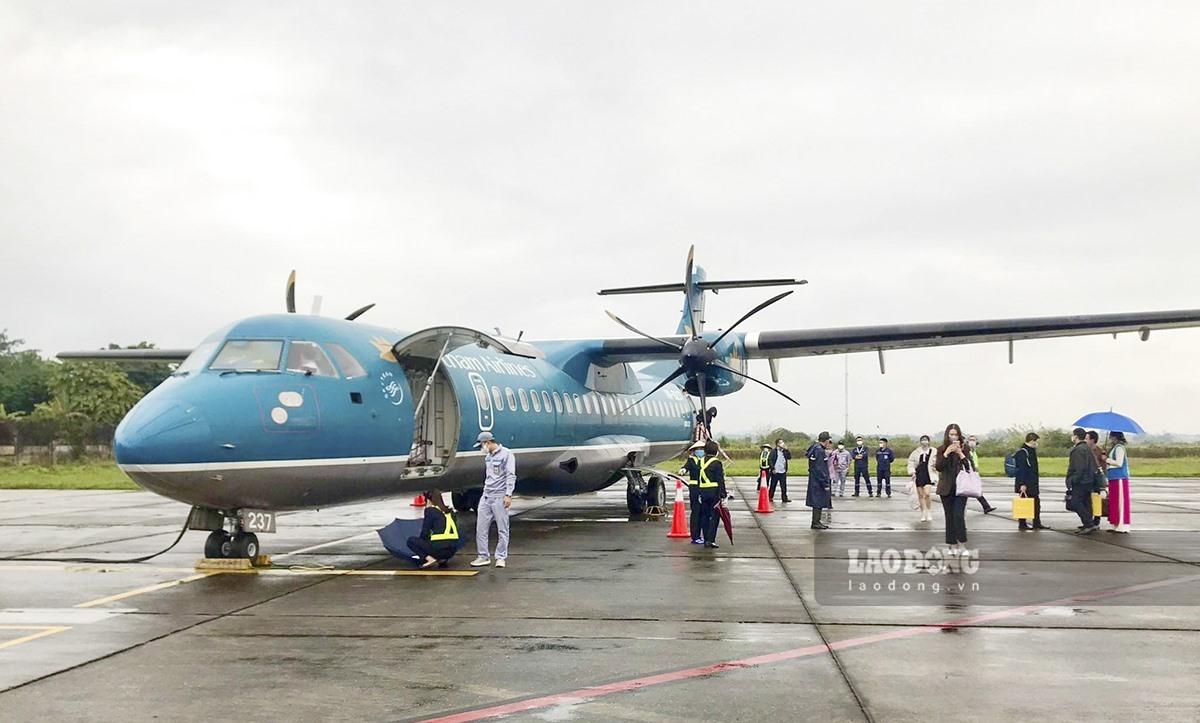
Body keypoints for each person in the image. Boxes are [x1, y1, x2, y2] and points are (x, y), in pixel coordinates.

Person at [469, 431, 516, 568]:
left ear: (488, 443)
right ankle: (483, 556)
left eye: (481, 445)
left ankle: (501, 557)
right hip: (487, 495)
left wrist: (508, 494)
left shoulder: (507, 454)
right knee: (481, 528)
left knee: (502, 528)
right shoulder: (488, 457)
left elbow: (510, 475)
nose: (481, 449)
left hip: (500, 496)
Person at [935, 424, 972, 555]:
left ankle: (962, 544)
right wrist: (946, 453)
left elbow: (969, 466)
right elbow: (938, 467)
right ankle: (952, 545)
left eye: (955, 434)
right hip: (946, 488)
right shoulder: (941, 449)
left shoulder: (965, 449)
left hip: (961, 488)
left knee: (958, 515)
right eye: (951, 434)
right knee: (949, 516)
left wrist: (960, 453)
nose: (953, 437)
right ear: (947, 435)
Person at [407, 489, 460, 568]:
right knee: (441, 540)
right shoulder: (450, 512)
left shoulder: (430, 511)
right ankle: (442, 560)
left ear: (428, 500)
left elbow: (425, 532)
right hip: (451, 550)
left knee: (411, 541)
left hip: (439, 550)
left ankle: (429, 559)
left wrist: (421, 546)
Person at [1066, 428, 1098, 534]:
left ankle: (1088, 523)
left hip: (1081, 481)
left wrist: (1073, 479)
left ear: (1075, 436)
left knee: (1076, 502)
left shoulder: (1078, 450)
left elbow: (1079, 467)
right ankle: (1088, 524)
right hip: (1088, 480)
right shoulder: (1087, 448)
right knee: (1086, 502)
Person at [1013, 432, 1048, 531]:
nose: (1037, 444)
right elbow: (1021, 469)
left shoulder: (1031, 451)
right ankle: (1022, 523)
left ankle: (1036, 522)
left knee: (1036, 503)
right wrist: (1022, 484)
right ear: (1032, 440)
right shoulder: (1023, 452)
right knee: (1025, 502)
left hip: (1032, 482)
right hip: (1026, 483)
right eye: (1036, 441)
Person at [696, 439, 727, 549]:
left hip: (703, 491)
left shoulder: (701, 461)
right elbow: (720, 479)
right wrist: (723, 494)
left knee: (704, 516)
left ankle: (705, 539)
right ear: (716, 451)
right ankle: (711, 539)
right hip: (714, 492)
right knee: (714, 516)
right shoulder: (717, 462)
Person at [679, 440, 707, 545]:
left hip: (705, 488)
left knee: (704, 513)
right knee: (696, 512)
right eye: (698, 449)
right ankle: (695, 536)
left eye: (702, 449)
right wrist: (683, 470)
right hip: (695, 489)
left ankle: (704, 534)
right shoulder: (691, 460)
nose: (700, 451)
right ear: (694, 451)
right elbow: (685, 467)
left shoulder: (707, 460)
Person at [806, 432, 834, 529]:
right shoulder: (820, 451)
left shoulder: (814, 448)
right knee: (818, 501)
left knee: (816, 501)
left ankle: (816, 521)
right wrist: (825, 483)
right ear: (826, 441)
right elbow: (820, 469)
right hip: (818, 480)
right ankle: (816, 522)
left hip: (814, 478)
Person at [906, 435, 937, 522]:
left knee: (927, 494)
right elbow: (911, 462)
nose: (924, 441)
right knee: (920, 495)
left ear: (929, 441)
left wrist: (936, 466)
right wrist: (912, 472)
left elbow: (938, 461)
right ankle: (923, 512)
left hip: (928, 474)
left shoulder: (934, 451)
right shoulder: (916, 452)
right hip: (919, 474)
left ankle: (929, 511)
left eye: (926, 440)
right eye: (922, 440)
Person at [1106, 431, 1132, 533]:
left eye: (1111, 437)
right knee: (1114, 501)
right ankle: (1116, 523)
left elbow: (1119, 463)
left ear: (1115, 437)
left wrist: (1107, 460)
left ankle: (1122, 525)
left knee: (1120, 501)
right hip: (1113, 478)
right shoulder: (1115, 448)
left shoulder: (1119, 448)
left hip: (1119, 478)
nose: (1110, 439)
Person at [966, 434, 997, 513]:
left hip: (974, 473)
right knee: (968, 491)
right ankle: (986, 506)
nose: (972, 442)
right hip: (968, 473)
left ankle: (986, 507)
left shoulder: (974, 451)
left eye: (974, 440)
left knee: (975, 490)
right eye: (971, 440)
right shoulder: (966, 451)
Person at [1086, 431, 1108, 528]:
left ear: (1092, 440)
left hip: (1096, 480)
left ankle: (1096, 521)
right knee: (1087, 501)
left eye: (1087, 438)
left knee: (1097, 500)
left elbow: (1103, 468)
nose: (1085, 440)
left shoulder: (1100, 452)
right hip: (1087, 479)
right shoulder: (1085, 450)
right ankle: (1088, 521)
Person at [768, 438, 792, 503]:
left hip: (783, 471)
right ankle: (770, 497)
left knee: (783, 486)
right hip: (775, 471)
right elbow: (770, 460)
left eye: (783, 442)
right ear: (777, 444)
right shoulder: (773, 451)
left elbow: (789, 457)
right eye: (781, 442)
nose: (782, 444)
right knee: (773, 485)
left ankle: (784, 498)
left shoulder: (784, 451)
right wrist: (773, 468)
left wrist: (787, 450)